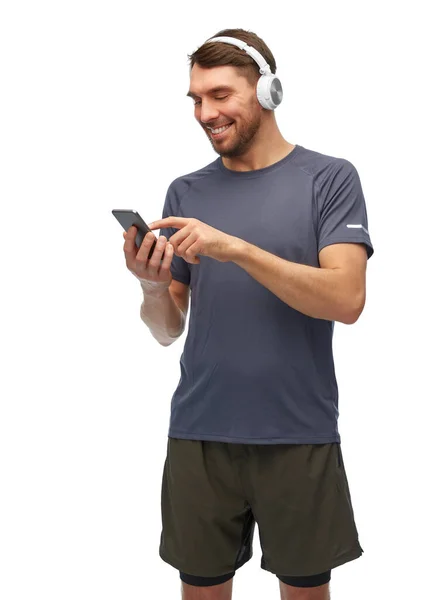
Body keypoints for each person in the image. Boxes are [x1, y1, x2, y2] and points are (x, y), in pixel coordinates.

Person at [122, 28, 374, 600]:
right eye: (195, 99)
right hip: (200, 435)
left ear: (268, 91)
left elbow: (347, 300)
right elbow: (168, 330)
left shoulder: (329, 179)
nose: (205, 113)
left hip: (297, 432)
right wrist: (152, 287)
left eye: (220, 95)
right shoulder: (185, 192)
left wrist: (233, 248)